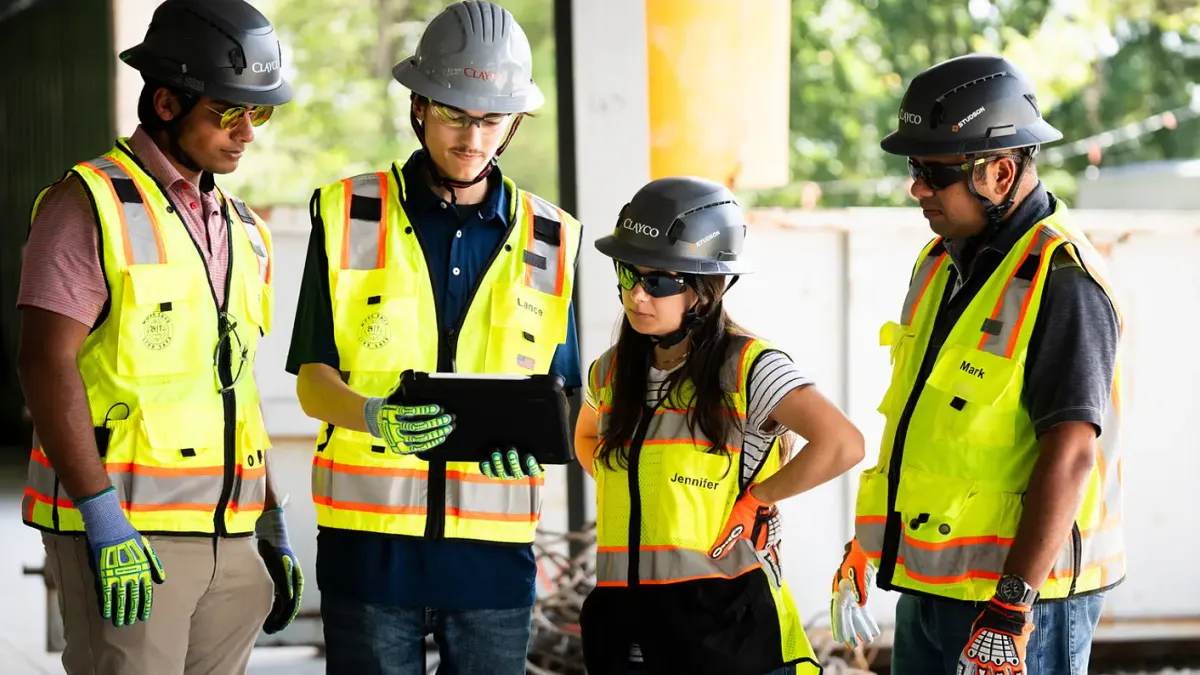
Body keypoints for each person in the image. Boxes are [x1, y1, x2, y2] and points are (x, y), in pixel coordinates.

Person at [285, 2, 583, 673]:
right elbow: (311, 378)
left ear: (512, 124)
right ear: (419, 106)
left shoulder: (553, 238)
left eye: (490, 119)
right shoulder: (348, 213)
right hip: (370, 552)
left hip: (493, 559)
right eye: (454, 113)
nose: (472, 137)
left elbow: (564, 398)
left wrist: (535, 447)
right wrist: (372, 415)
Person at [16, 1, 302, 674]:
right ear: (167, 101)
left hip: (231, 540)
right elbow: (42, 361)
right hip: (128, 536)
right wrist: (100, 515)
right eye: (229, 113)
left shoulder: (243, 228)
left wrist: (266, 518)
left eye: (258, 113)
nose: (247, 134)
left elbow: (235, 385)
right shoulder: (86, 204)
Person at [837, 53, 1124, 675]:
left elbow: (1072, 454)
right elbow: (927, 430)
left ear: (998, 171)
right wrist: (870, 544)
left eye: (933, 171)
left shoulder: (1063, 281)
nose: (916, 187)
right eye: (914, 168)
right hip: (929, 583)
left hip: (1019, 605)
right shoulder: (941, 264)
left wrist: (1011, 606)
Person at [574, 176, 867, 675]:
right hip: (627, 631)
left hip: (727, 637)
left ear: (707, 288)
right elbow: (586, 437)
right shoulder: (611, 369)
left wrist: (760, 499)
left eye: (659, 281)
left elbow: (842, 443)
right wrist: (627, 484)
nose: (637, 296)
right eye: (628, 274)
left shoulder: (749, 365)